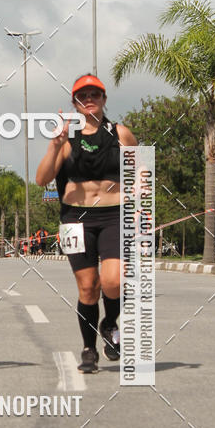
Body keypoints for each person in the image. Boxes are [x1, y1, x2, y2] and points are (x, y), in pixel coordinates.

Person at [35, 74, 137, 374]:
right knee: (88, 287)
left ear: (104, 99)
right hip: (75, 219)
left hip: (114, 215)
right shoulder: (66, 138)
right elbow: (42, 180)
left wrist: (140, 205)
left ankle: (109, 323)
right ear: (75, 103)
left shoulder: (121, 133)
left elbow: (140, 171)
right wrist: (55, 146)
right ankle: (89, 348)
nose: (89, 99)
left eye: (95, 94)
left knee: (113, 281)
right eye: (83, 95)